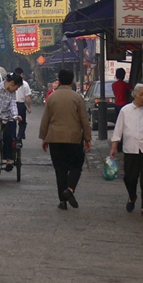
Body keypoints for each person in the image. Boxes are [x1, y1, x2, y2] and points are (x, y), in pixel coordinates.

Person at [39, 70, 92, 210]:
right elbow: (84, 120)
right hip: (74, 138)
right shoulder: (77, 97)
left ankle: (62, 202)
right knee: (76, 165)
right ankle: (70, 189)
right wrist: (87, 138)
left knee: (60, 169)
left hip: (55, 139)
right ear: (72, 81)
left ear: (59, 81)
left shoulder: (52, 97)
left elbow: (46, 119)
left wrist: (44, 138)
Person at [110, 83, 143, 219]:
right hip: (130, 149)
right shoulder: (125, 110)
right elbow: (118, 129)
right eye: (141, 94)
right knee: (130, 177)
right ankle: (132, 196)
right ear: (134, 94)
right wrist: (114, 146)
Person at [13, 67, 32, 143]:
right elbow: (27, 97)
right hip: (20, 105)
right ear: (21, 74)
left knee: (12, 122)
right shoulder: (25, 84)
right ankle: (19, 137)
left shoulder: (10, 81)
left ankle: (13, 138)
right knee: (22, 123)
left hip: (12, 105)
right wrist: (29, 107)